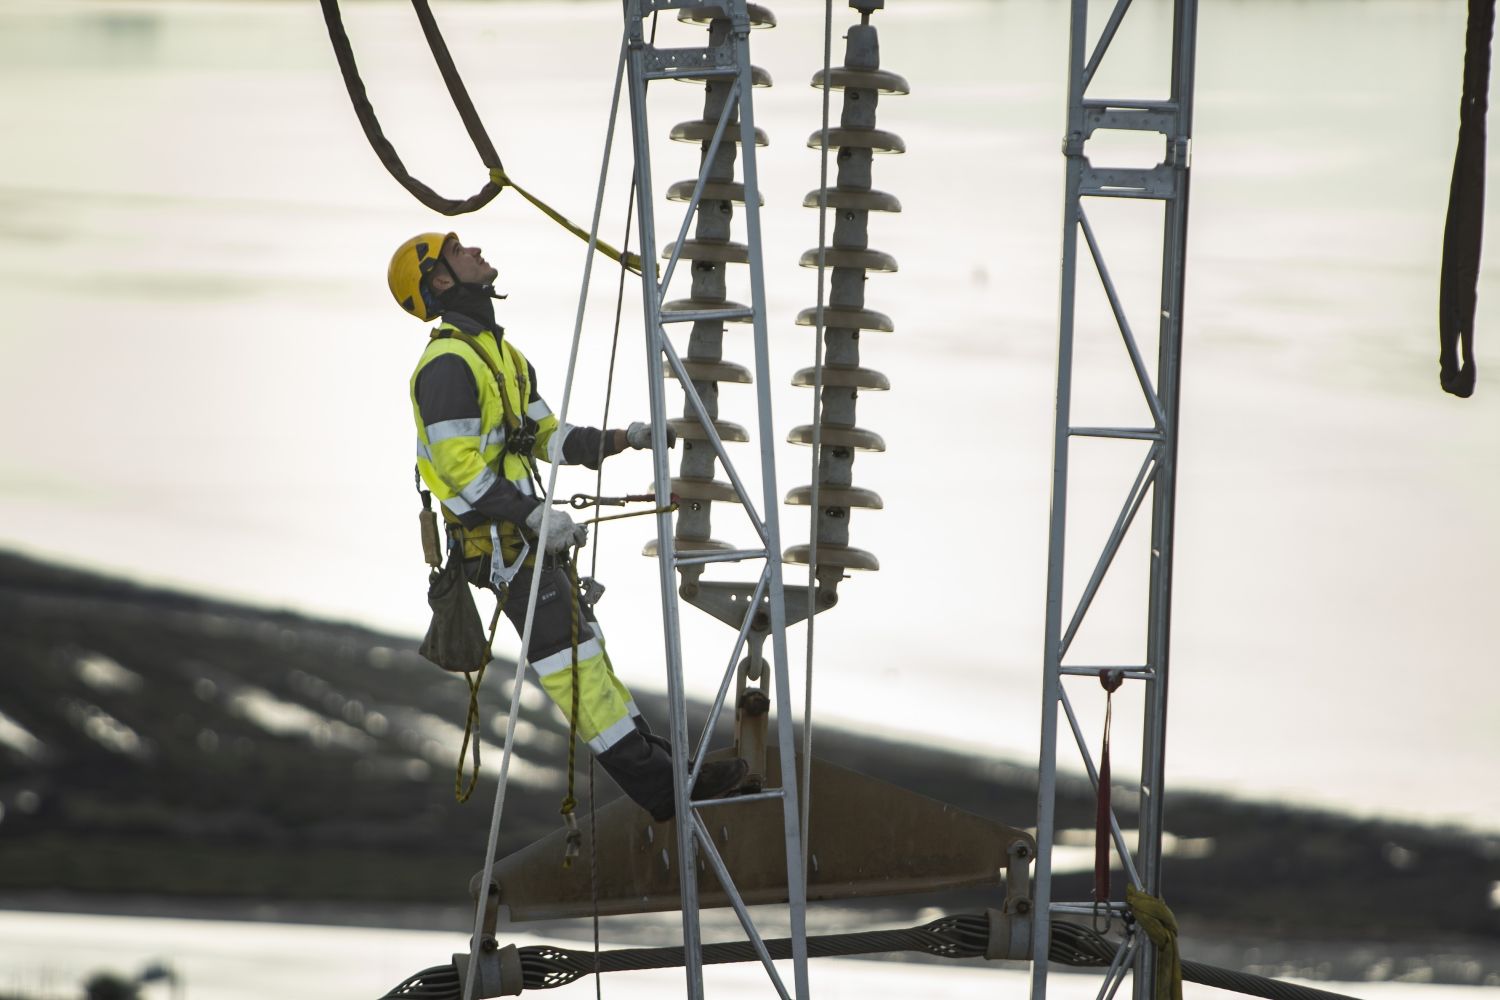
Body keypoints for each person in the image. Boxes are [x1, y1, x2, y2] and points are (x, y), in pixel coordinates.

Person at [388, 231, 746, 822]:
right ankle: (664, 790)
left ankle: (670, 773)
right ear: (442, 282)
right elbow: (457, 469)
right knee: (573, 671)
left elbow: (544, 435)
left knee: (589, 658)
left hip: (525, 544)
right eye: (458, 251)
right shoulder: (449, 363)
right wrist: (531, 513)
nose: (475, 248)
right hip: (504, 548)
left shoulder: (496, 354)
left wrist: (621, 439)